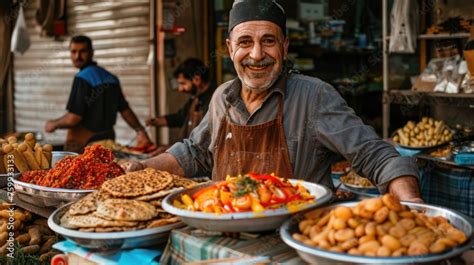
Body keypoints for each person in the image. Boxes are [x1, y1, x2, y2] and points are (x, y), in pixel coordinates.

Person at [124, 0, 422, 202]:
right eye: (245, 42)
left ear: (284, 46)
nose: (256, 55)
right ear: (229, 49)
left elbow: (376, 156)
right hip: (227, 235)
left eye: (268, 40)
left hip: (296, 239)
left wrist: (414, 207)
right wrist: (144, 168)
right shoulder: (221, 98)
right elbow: (195, 153)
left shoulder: (314, 96)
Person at [45, 35, 151, 152]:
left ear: (91, 52)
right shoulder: (112, 78)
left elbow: (73, 118)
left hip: (84, 144)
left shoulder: (82, 78)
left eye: (82, 51)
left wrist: (54, 124)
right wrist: (140, 130)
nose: (77, 56)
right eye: (73, 51)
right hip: (108, 139)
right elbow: (125, 110)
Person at [145, 58, 215, 140]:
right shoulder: (195, 99)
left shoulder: (214, 99)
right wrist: (157, 121)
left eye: (183, 83)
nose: (180, 89)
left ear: (196, 79)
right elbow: (181, 117)